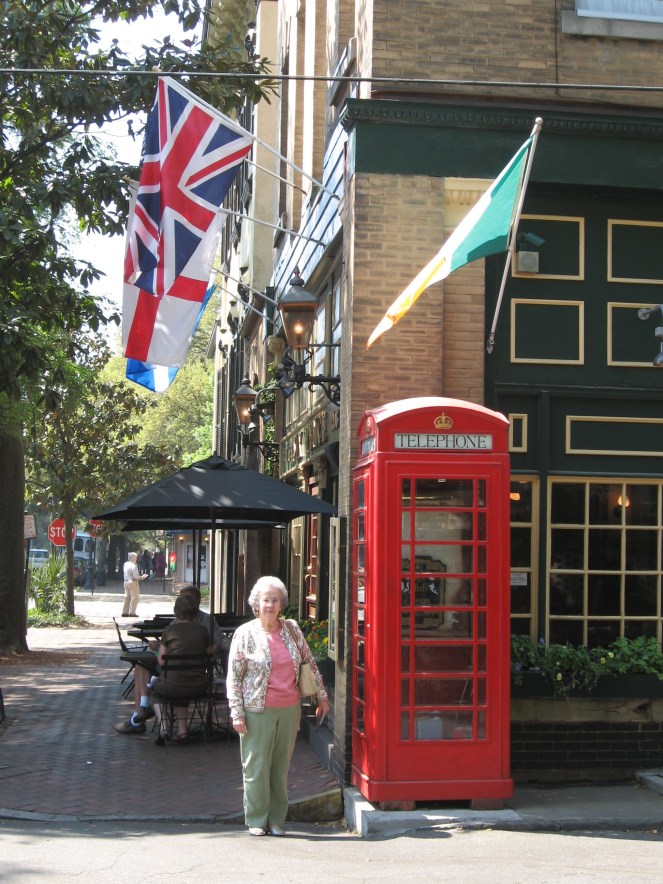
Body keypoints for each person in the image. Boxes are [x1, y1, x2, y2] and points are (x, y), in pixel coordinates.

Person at [226, 575, 330, 837]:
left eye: (274, 600)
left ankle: (276, 820)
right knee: (256, 766)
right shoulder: (245, 634)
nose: (270, 605)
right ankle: (256, 819)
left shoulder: (292, 629)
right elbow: (234, 677)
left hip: (289, 708)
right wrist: (236, 712)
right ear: (256, 604)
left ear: (281, 604)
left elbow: (309, 663)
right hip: (256, 709)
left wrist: (322, 696)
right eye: (265, 600)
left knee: (280, 766)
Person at [114, 584, 223, 736]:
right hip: (197, 680)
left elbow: (163, 660)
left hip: (178, 677)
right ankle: (139, 716)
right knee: (141, 667)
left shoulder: (192, 625)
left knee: (161, 683)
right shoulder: (201, 631)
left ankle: (158, 724)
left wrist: (163, 650)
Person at [148, 593, 213, 744]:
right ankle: (182, 731)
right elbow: (211, 657)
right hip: (199, 685)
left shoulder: (169, 631)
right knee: (181, 686)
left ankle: (164, 729)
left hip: (172, 685)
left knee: (155, 689)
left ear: (176, 612)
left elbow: (161, 661)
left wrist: (158, 652)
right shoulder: (203, 630)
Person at [121, 552, 148, 617]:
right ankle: (132, 612)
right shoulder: (134, 566)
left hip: (126, 581)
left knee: (127, 597)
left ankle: (125, 612)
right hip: (132, 582)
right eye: (135, 558)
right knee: (134, 597)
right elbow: (135, 576)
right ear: (133, 558)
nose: (136, 559)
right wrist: (142, 577)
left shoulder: (125, 564)